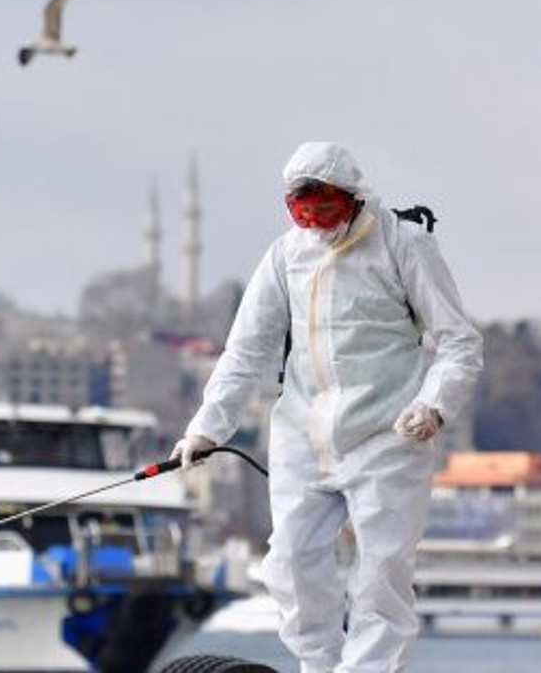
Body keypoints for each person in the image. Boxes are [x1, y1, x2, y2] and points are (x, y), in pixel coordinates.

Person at [170, 142, 483, 673]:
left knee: (382, 575)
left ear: (354, 198)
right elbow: (246, 351)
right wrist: (207, 428)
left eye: (325, 210)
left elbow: (460, 344)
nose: (315, 223)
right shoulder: (286, 255)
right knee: (289, 566)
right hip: (302, 434)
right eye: (302, 212)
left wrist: (434, 405)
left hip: (389, 435)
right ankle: (318, 666)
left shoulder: (403, 244)